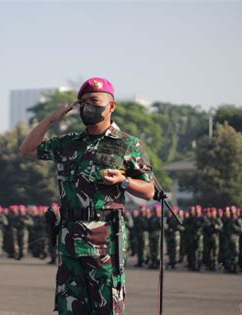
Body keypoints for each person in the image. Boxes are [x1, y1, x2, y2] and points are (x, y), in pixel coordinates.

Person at [21, 77, 154, 314]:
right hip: (69, 237)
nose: (87, 107)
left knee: (106, 307)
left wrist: (124, 181)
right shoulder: (69, 144)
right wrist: (52, 119)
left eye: (94, 100)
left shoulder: (127, 145)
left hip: (105, 241)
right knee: (70, 306)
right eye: (83, 102)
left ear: (111, 106)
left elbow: (149, 191)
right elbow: (28, 148)